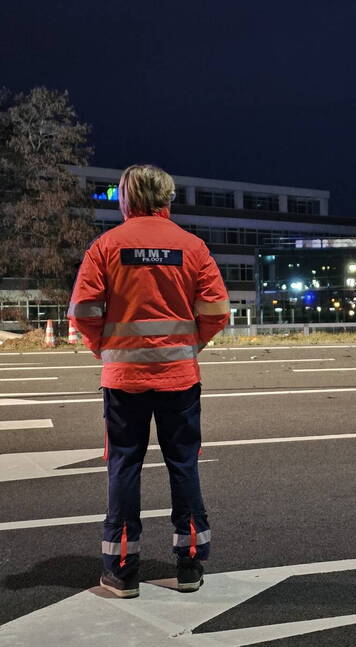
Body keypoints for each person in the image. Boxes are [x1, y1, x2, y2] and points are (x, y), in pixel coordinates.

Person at [68, 164, 230, 598]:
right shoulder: (191, 247)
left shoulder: (106, 246)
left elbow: (83, 311)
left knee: (124, 465)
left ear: (126, 198)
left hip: (124, 379)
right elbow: (217, 312)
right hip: (179, 377)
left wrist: (104, 347)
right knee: (183, 465)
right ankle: (190, 564)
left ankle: (121, 571)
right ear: (167, 199)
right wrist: (190, 344)